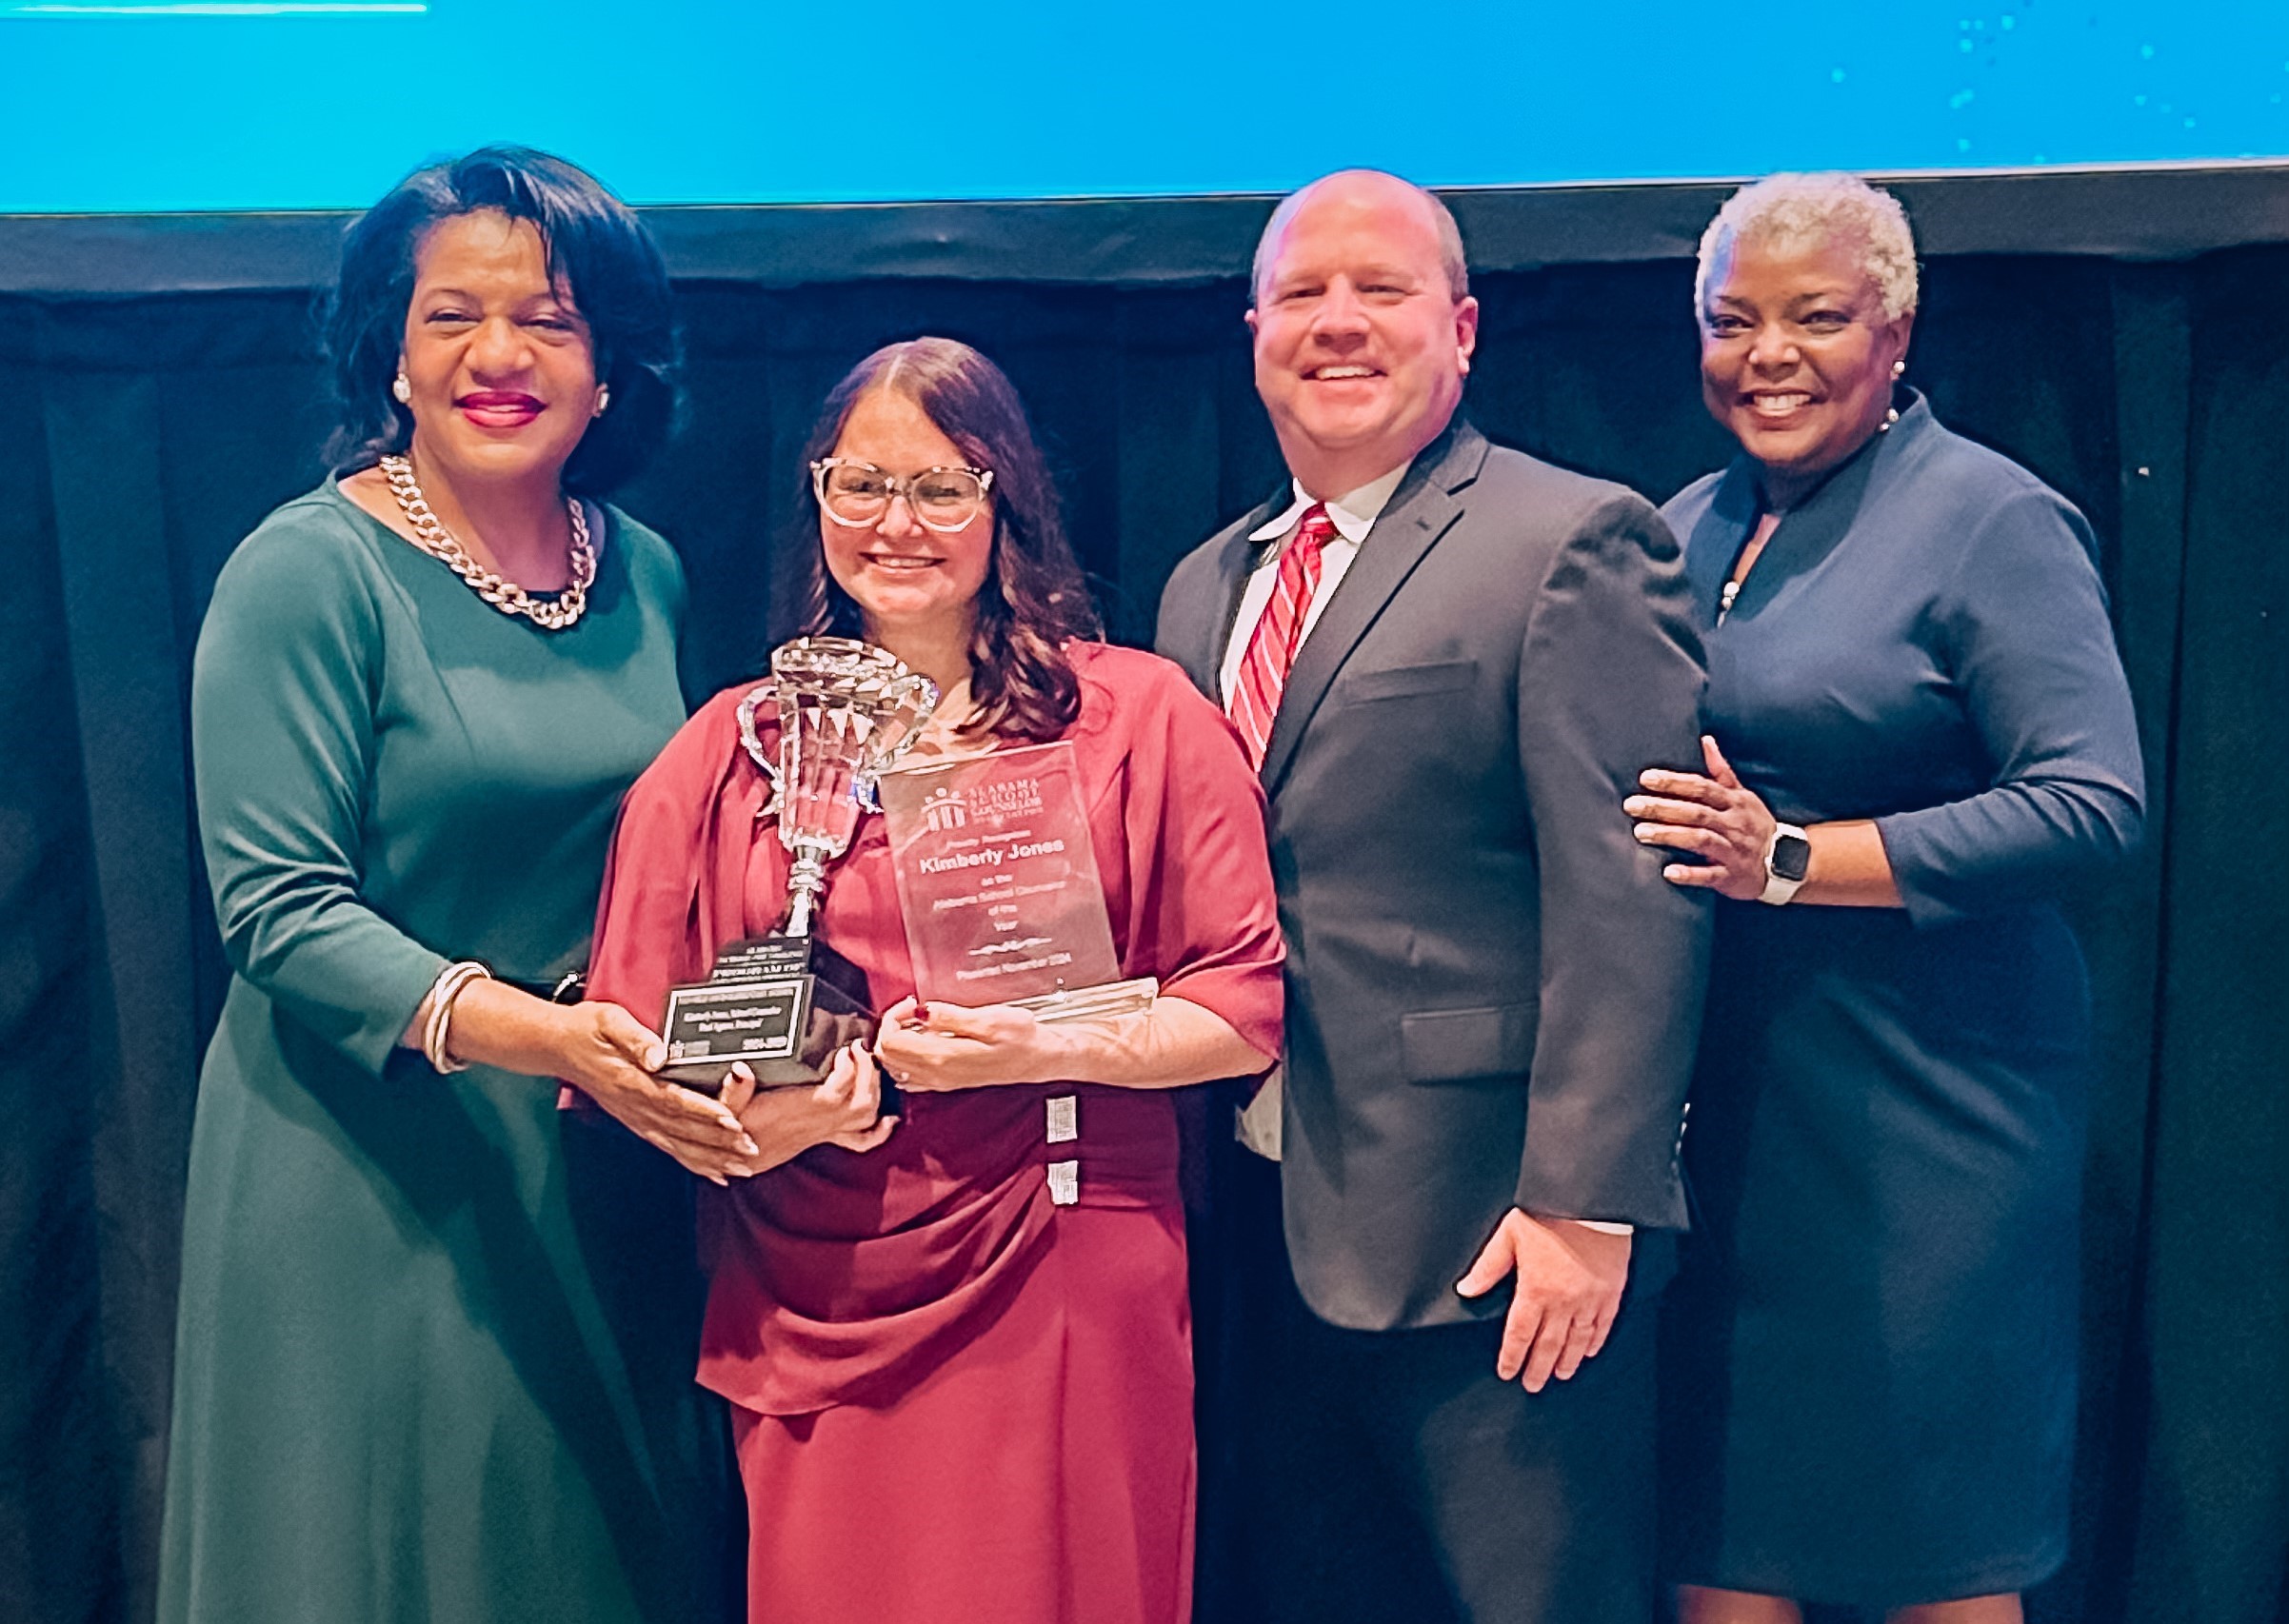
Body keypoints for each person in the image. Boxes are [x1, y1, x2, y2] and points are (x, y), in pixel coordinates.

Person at [583, 335, 1285, 1624]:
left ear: (1002, 500)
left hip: (1066, 1261)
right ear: (815, 496)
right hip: (813, 1293)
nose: (894, 522)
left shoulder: (1135, 720)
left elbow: (1242, 1010)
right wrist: (762, 1125)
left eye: (941, 487)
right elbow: (628, 1051)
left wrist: (1028, 1046)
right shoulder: (727, 752)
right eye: (859, 484)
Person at [157, 148, 750, 1624]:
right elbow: (278, 909)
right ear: (393, 358)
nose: (500, 356)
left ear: (609, 364)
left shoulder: (649, 574)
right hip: (363, 1165)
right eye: (452, 318)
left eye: (547, 320)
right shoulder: (307, 573)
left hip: (588, 1155)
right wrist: (535, 1032)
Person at [1156, 168, 1710, 1624]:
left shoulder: (1574, 540)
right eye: (1302, 293)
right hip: (1259, 1220)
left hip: (1493, 1244)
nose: (1338, 321)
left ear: (1462, 327)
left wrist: (1587, 1204)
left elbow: (1634, 894)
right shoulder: (1201, 587)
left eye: (1381, 289)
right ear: (1252, 328)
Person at [1627, 173, 2145, 1624]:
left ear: (1897, 331)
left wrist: (1794, 859)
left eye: (1816, 318)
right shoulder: (1682, 522)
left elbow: (2093, 801)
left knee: (1932, 1546)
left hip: (1930, 1133)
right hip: (1734, 1124)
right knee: (1722, 1543)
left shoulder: (1989, 518)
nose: (1768, 354)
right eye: (1733, 321)